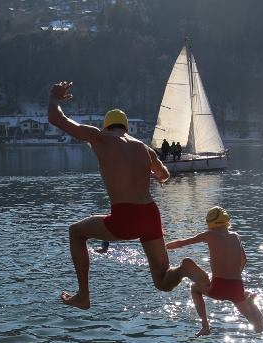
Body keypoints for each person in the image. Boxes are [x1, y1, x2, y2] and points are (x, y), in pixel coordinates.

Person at [48, 81, 192, 310]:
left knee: (76, 232)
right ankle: (184, 269)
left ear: (106, 127)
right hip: (150, 214)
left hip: (125, 216)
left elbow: (58, 119)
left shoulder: (100, 137)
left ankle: (83, 296)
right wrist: (149, 173)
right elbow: (164, 175)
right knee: (162, 280)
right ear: (126, 127)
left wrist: (54, 99)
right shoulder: (144, 148)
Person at [166, 206, 263, 336]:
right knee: (258, 327)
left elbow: (181, 243)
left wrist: (163, 247)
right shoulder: (236, 236)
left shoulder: (209, 235)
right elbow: (244, 260)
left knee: (195, 288)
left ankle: (205, 326)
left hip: (218, 288)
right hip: (236, 287)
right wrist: (234, 277)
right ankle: (250, 302)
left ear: (210, 223)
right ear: (226, 221)